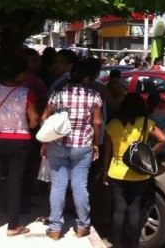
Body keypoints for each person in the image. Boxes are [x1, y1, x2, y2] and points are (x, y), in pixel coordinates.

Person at [41, 61, 103, 240]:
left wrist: (45, 143)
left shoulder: (58, 93)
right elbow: (97, 123)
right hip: (83, 145)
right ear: (87, 77)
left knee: (58, 186)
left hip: (58, 144)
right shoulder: (94, 95)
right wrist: (96, 144)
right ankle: (83, 226)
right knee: (79, 185)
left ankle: (54, 228)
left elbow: (45, 117)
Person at [0, 56, 39, 236]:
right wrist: (24, 126)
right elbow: (34, 119)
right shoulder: (26, 93)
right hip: (20, 140)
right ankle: (13, 226)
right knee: (15, 182)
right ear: (17, 75)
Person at [102, 93, 165, 248]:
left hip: (116, 171)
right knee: (134, 210)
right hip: (139, 172)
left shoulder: (113, 124)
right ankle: (133, 245)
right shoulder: (145, 123)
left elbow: (108, 151)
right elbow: (164, 139)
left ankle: (117, 244)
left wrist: (105, 170)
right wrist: (149, 153)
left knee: (118, 210)